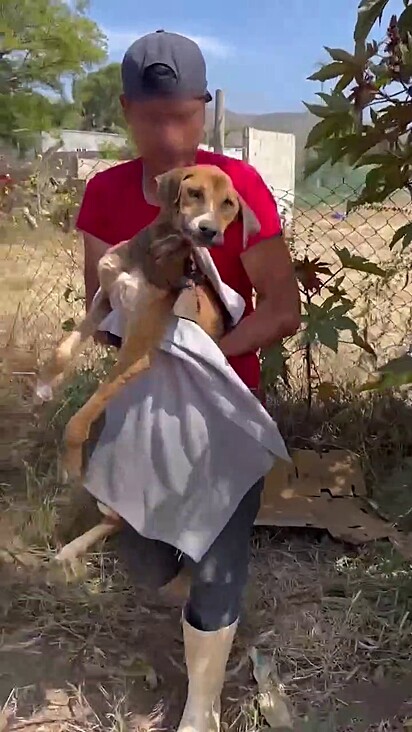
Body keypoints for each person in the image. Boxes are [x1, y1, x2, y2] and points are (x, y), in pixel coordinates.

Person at [76, 30, 300, 732]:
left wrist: (212, 353)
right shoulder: (107, 194)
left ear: (203, 109)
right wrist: (141, 324)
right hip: (142, 403)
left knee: (216, 564)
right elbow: (98, 308)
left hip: (223, 403)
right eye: (152, 117)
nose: (170, 133)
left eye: (184, 115)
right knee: (146, 556)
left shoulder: (240, 190)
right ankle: (198, 605)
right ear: (126, 111)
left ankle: (200, 708)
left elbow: (284, 309)